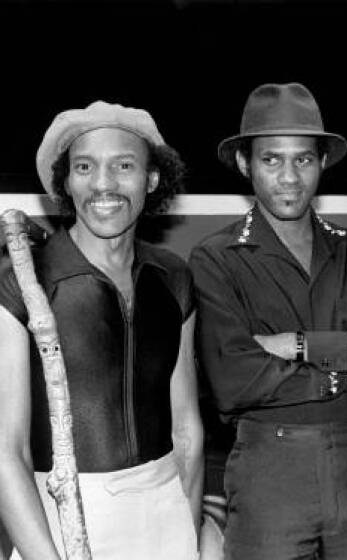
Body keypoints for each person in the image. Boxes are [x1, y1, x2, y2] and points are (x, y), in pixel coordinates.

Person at [189, 82, 347, 560]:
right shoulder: (216, 259)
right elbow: (234, 378)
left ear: (322, 164)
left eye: (303, 159)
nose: (289, 177)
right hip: (268, 477)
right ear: (244, 165)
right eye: (271, 160)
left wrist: (299, 345)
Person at [0, 101, 203, 559]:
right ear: (65, 181)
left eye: (124, 165)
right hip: (57, 516)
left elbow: (187, 430)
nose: (103, 184)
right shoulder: (23, 284)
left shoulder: (174, 278)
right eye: (85, 167)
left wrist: (185, 531)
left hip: (164, 513)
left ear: (152, 179)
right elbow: (6, 451)